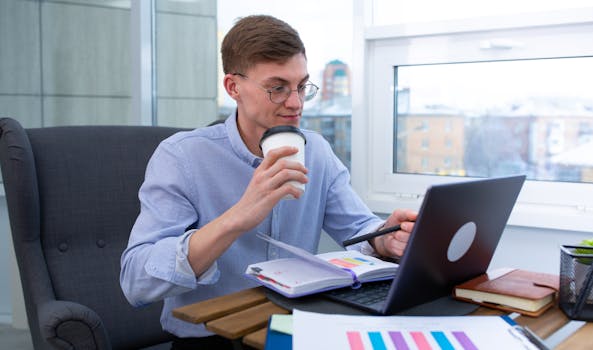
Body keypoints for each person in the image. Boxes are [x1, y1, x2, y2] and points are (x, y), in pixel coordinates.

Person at [120, 14, 417, 349]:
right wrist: (238, 216)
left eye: (301, 86)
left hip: (295, 329)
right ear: (233, 87)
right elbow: (136, 282)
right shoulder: (181, 157)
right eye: (277, 88)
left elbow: (358, 228)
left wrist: (386, 239)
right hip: (212, 338)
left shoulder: (315, 150)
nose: (296, 103)